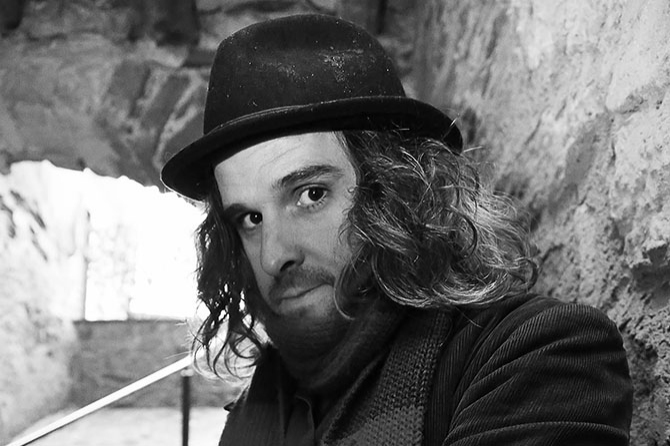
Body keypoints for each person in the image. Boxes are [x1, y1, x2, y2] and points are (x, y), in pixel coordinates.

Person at [161, 14, 633, 446]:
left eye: (311, 194)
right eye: (250, 218)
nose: (272, 255)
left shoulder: (536, 354)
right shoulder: (264, 400)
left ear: (396, 188)